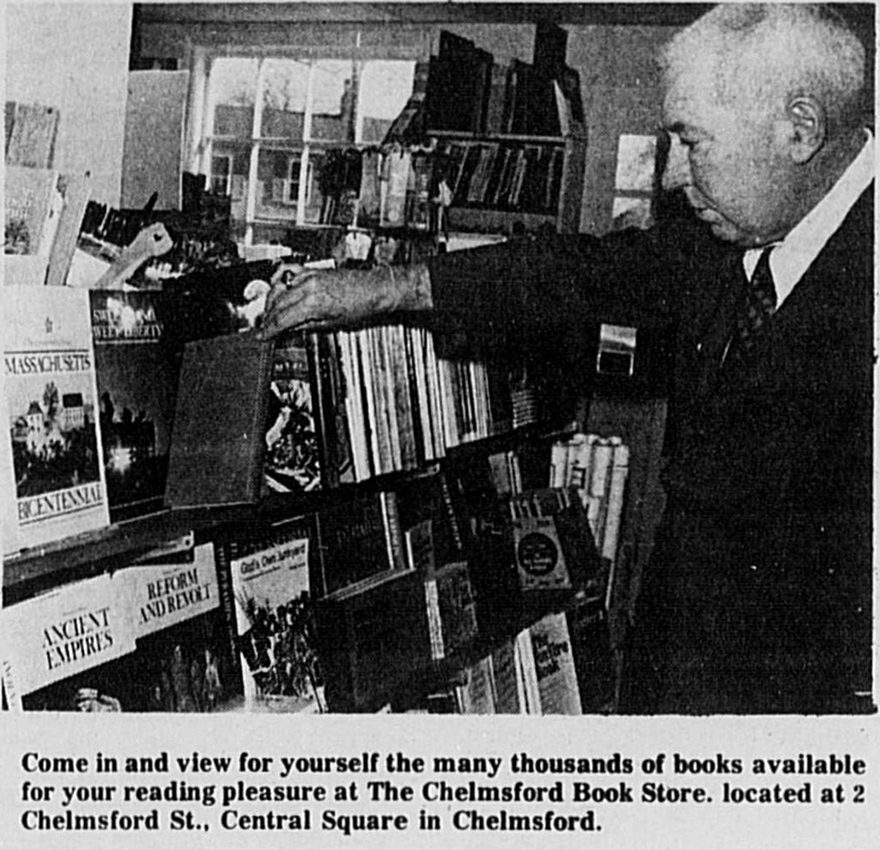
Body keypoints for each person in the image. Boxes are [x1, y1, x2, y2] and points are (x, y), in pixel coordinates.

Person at [260, 4, 874, 714]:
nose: (673, 176)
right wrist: (391, 286)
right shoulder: (730, 242)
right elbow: (579, 276)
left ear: (799, 130)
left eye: (692, 142)